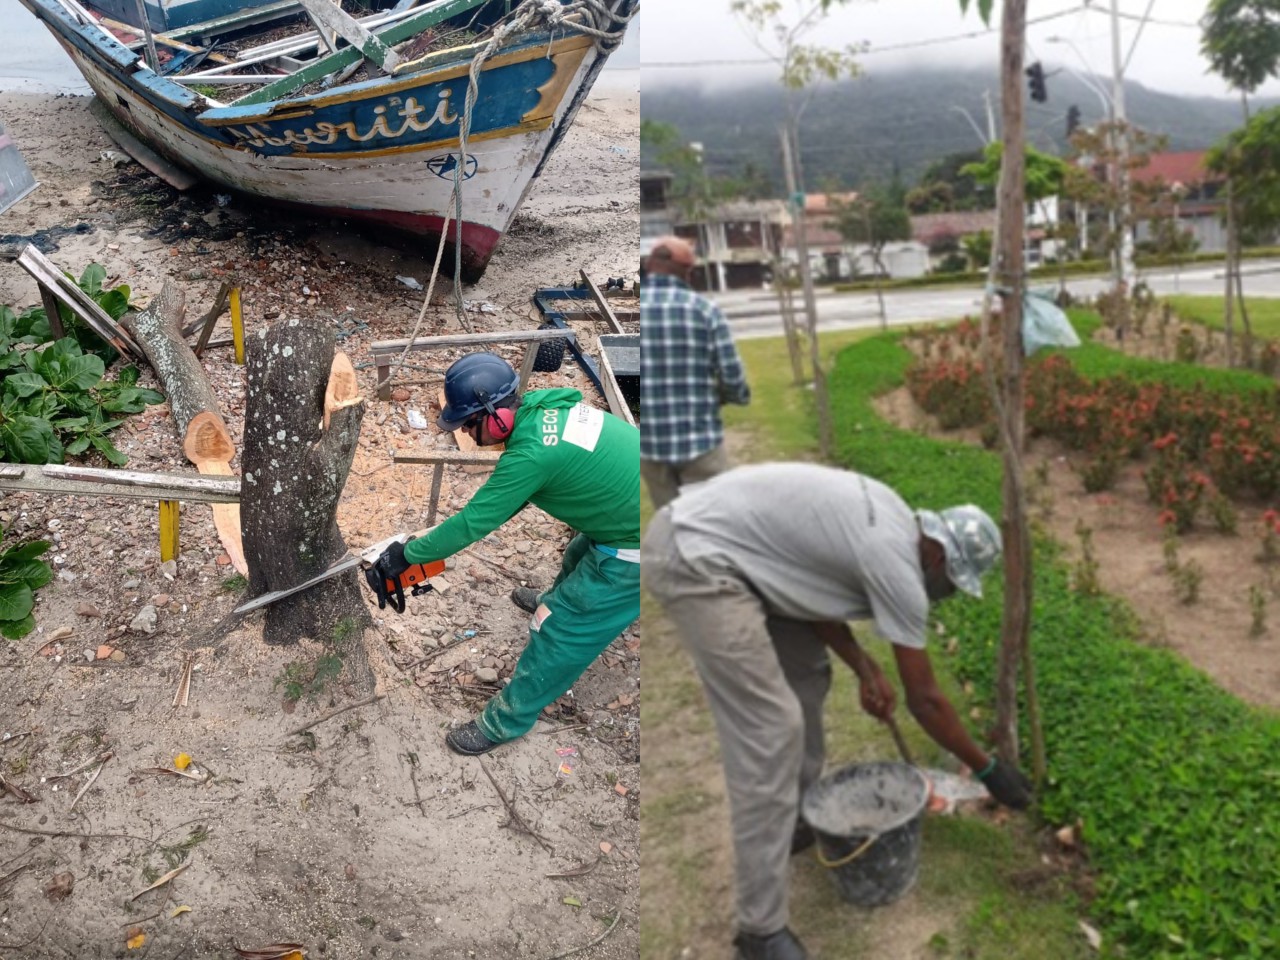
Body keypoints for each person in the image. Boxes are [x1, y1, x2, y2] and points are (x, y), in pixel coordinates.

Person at [641, 462, 1033, 960]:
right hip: (695, 557)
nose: (947, 593)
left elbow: (809, 587)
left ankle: (794, 819)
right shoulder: (900, 567)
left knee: (807, 675)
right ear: (937, 556)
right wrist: (989, 770)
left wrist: (864, 667)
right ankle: (760, 932)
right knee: (771, 729)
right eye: (952, 582)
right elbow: (926, 701)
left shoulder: (895, 517)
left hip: (738, 553)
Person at [377, 352, 640, 756]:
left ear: (495, 414)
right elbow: (512, 500)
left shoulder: (532, 456)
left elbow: (473, 523)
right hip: (640, 505)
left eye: (469, 423)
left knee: (563, 628)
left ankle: (506, 721)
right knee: (578, 552)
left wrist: (408, 555)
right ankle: (555, 597)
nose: (467, 432)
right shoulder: (544, 407)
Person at [641, 235, 751, 509]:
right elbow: (732, 376)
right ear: (687, 272)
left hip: (651, 447)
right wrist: (727, 397)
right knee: (711, 519)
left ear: (650, 265)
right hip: (700, 442)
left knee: (671, 519)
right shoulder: (704, 310)